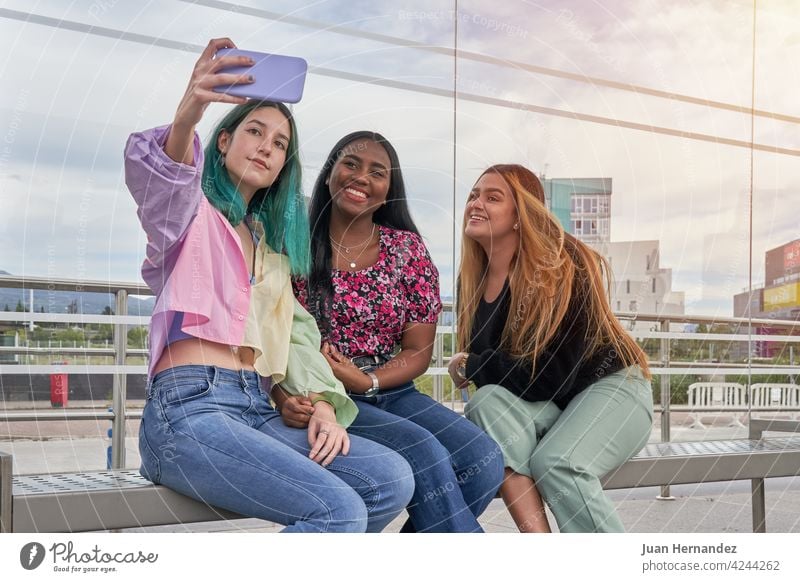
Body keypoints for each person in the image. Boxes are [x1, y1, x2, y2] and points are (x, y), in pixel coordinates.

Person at [125, 38, 414, 533]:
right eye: (255, 131)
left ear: (284, 165)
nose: (266, 146)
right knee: (338, 510)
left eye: (279, 143)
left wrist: (322, 403)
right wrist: (190, 109)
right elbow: (164, 177)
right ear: (223, 141)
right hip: (190, 411)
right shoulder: (189, 214)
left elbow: (298, 337)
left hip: (256, 407)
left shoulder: (269, 251)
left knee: (389, 478)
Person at [273, 131, 504, 533]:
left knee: (482, 459)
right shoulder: (294, 244)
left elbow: (418, 350)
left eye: (377, 172)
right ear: (330, 173)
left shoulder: (407, 249)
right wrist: (281, 395)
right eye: (351, 164)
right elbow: (274, 333)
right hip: (327, 395)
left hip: (390, 390)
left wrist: (369, 378)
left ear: (387, 192)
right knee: (426, 454)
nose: (362, 177)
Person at [449, 164, 654, 533]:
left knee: (558, 462)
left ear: (520, 214)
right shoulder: (472, 282)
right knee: (486, 405)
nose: (476, 203)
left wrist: (469, 364)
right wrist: (477, 366)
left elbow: (550, 375)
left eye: (493, 197)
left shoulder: (562, 263)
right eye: (474, 195)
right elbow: (501, 384)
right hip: (554, 407)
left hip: (612, 389)